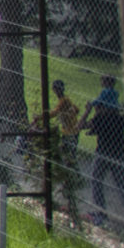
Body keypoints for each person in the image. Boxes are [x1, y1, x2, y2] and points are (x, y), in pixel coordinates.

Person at [87, 77, 124, 230]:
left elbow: (85, 127)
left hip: (103, 154)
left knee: (96, 180)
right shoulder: (119, 118)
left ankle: (101, 212)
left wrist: (88, 111)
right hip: (119, 155)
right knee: (121, 185)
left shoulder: (100, 118)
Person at [50, 80, 86, 225]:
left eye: (55, 89)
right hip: (71, 131)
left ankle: (74, 177)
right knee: (68, 154)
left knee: (67, 155)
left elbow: (54, 113)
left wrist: (40, 117)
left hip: (69, 133)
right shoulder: (67, 100)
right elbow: (77, 110)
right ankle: (71, 176)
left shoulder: (63, 101)